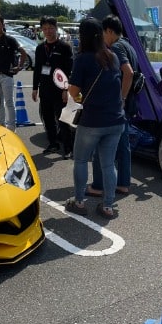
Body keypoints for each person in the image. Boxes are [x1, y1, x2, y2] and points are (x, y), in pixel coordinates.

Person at [64, 17, 125, 219]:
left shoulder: (83, 59)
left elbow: (73, 91)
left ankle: (79, 201)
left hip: (92, 121)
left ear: (83, 36)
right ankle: (108, 206)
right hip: (116, 120)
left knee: (81, 160)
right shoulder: (113, 56)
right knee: (108, 164)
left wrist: (79, 96)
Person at [86, 14, 135, 198]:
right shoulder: (130, 45)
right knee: (123, 145)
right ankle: (123, 183)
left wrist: (121, 97)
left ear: (108, 31)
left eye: (102, 33)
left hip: (118, 104)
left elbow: (128, 73)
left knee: (104, 146)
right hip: (129, 103)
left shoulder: (116, 47)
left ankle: (100, 186)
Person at [32, 16, 74, 155]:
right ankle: (53, 144)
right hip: (45, 89)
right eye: (45, 29)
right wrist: (34, 88)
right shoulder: (39, 48)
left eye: (50, 28)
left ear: (56, 28)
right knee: (48, 119)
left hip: (59, 90)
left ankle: (68, 148)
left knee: (63, 120)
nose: (48, 31)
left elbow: (69, 69)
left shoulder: (64, 47)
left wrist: (65, 89)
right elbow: (37, 69)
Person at [0, 15, 27, 131]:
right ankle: (1, 126)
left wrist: (19, 67)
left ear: (3, 25)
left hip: (6, 75)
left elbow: (23, 53)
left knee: (9, 102)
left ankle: (12, 128)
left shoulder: (10, 40)